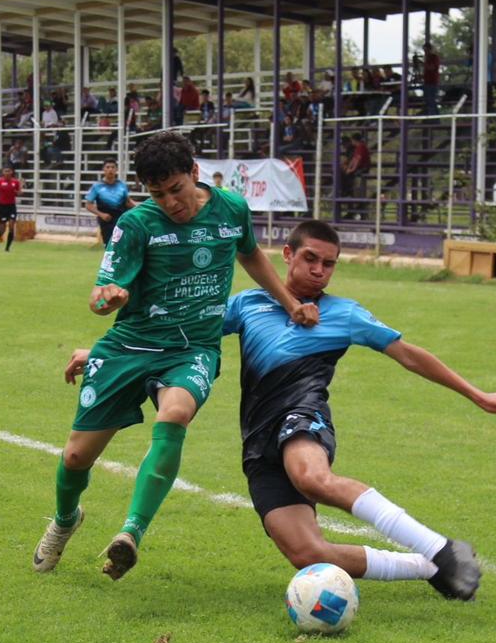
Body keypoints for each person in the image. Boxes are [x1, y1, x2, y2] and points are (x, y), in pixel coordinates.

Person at [64, 220, 496, 599]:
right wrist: (104, 353)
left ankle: (440, 546)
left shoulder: (343, 314)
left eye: (329, 264)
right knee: (307, 554)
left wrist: (477, 394)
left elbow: (409, 354)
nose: (320, 271)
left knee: (312, 477)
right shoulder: (248, 304)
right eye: (311, 259)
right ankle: (432, 567)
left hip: (303, 415)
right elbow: (180, 333)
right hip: (258, 439)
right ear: (286, 255)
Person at [31, 131, 320, 581]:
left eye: (176, 190)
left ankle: (130, 534)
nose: (170, 202)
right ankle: (65, 521)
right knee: (75, 458)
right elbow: (100, 293)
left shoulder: (232, 209)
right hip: (130, 346)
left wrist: (290, 303)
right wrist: (107, 299)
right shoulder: (137, 224)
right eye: (157, 193)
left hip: (192, 350)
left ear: (194, 174)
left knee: (176, 413)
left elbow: (252, 256)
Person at [84, 159, 134, 245]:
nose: (110, 169)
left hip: (122, 219)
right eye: (108, 167)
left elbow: (128, 202)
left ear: (116, 169)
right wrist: (101, 214)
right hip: (106, 221)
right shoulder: (97, 186)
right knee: (109, 245)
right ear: (103, 169)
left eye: (113, 167)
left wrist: (140, 208)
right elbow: (88, 205)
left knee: (124, 243)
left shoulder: (122, 185)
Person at [0, 163, 22, 251]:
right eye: (6, 171)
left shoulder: (15, 182)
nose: (7, 173)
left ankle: (7, 248)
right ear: (3, 172)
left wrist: (19, 192)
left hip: (11, 206)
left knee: (12, 226)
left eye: (9, 171)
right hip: (2, 207)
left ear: (12, 172)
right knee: (3, 228)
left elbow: (18, 193)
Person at [422, 42, 441, 115]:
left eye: (426, 50)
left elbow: (432, 68)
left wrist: (424, 64)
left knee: (432, 100)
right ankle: (429, 116)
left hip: (433, 83)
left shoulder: (434, 57)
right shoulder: (426, 59)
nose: (425, 52)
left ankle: (434, 117)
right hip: (427, 83)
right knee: (428, 101)